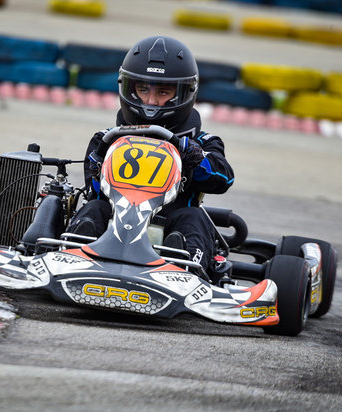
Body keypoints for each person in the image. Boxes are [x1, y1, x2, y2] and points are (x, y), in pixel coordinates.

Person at [68, 35, 234, 276]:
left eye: (163, 92)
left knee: (193, 216)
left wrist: (194, 158)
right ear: (128, 88)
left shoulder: (203, 142)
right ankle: (76, 252)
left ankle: (184, 268)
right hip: (115, 221)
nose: (151, 101)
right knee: (94, 208)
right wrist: (99, 164)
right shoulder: (105, 139)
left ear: (183, 93)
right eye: (143, 90)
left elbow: (224, 178)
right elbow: (94, 190)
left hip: (170, 227)